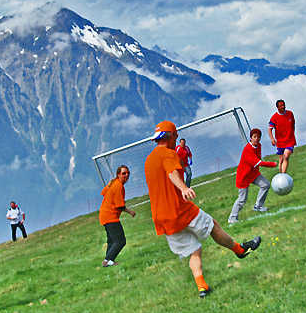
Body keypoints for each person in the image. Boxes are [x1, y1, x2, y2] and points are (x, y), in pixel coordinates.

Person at [144, 120, 262, 298]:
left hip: (161, 217)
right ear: (172, 136)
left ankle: (202, 287)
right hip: (178, 210)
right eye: (176, 136)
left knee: (194, 250)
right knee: (213, 225)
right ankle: (240, 250)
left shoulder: (149, 159)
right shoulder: (168, 154)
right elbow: (171, 173)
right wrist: (183, 188)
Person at [229, 128, 278, 223]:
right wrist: (273, 164)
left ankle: (258, 206)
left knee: (265, 185)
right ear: (250, 138)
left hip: (253, 174)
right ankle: (232, 218)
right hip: (244, 176)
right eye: (254, 137)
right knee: (242, 199)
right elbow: (257, 162)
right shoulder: (247, 149)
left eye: (258, 137)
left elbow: (257, 159)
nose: (256, 139)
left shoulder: (259, 146)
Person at [99, 165, 136, 267]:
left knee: (112, 240)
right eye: (124, 173)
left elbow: (103, 192)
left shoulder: (113, 183)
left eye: (128, 173)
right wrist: (130, 212)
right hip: (110, 217)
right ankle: (107, 260)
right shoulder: (119, 186)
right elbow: (120, 206)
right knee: (120, 240)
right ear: (118, 175)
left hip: (104, 215)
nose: (126, 175)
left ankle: (108, 261)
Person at [268, 99, 296, 173]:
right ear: (277, 107)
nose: (283, 107)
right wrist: (272, 139)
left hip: (290, 140)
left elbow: (293, 125)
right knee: (281, 160)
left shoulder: (290, 113)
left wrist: (293, 134)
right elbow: (270, 129)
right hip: (280, 142)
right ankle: (280, 176)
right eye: (281, 106)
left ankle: (283, 175)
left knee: (286, 156)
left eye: (284, 105)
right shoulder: (274, 117)